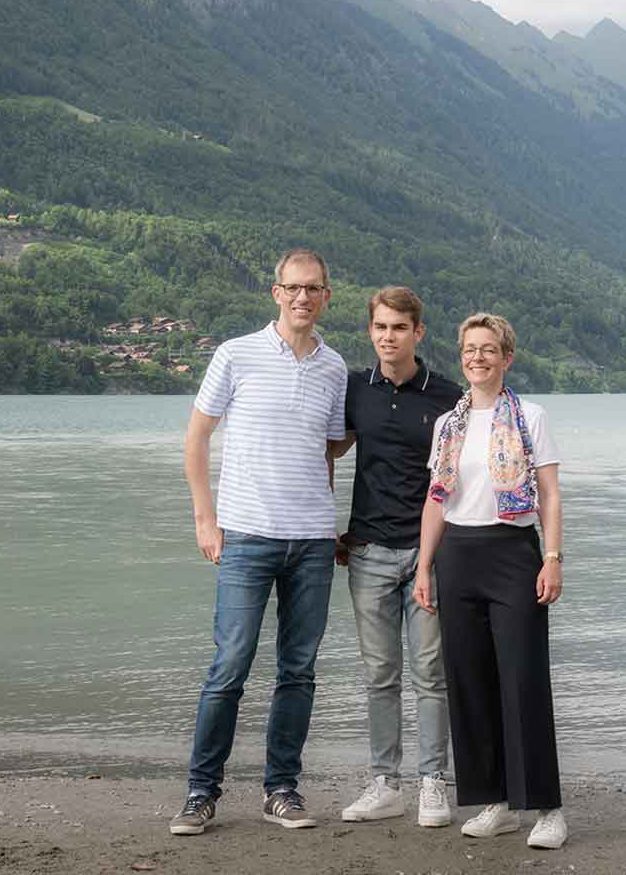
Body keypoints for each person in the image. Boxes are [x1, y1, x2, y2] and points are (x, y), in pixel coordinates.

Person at [170, 249, 348, 836]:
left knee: (298, 670)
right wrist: (205, 519)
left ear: (326, 297)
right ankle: (201, 793)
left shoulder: (334, 367)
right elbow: (196, 440)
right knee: (229, 667)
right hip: (245, 536)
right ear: (275, 293)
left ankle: (282, 790)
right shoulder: (235, 354)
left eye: (313, 289)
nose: (303, 298)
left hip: (312, 542)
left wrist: (328, 523)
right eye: (293, 288)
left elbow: (326, 451)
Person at [412, 312, 567, 850]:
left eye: (488, 349)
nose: (477, 357)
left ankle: (546, 808)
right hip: (457, 555)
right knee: (470, 683)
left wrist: (552, 557)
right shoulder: (447, 425)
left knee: (522, 680)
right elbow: (437, 498)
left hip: (513, 555)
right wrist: (424, 566)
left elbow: (548, 493)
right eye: (469, 349)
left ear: (506, 358)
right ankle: (495, 803)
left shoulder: (530, 416)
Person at [330, 286, 463, 827]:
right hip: (367, 552)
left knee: (431, 673)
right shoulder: (354, 389)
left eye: (399, 328)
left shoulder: (448, 396)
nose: (389, 337)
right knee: (380, 674)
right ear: (371, 331)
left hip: (427, 555)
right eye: (380, 327)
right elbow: (324, 450)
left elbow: (463, 475)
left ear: (418, 333)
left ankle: (433, 783)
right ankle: (385, 783)